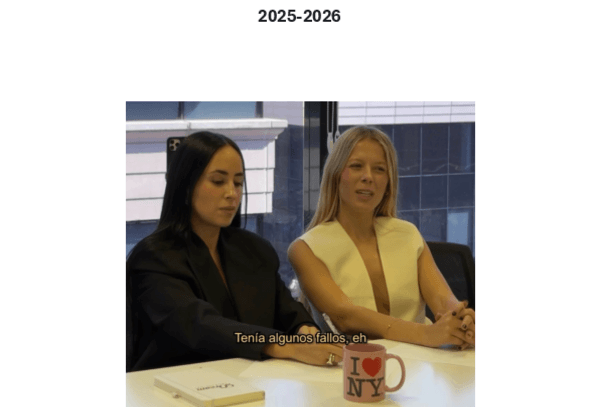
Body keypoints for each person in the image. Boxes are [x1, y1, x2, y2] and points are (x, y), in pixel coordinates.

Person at [127, 131, 344, 371]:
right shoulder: (153, 257)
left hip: (251, 383)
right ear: (185, 185)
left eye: (238, 183)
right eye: (218, 181)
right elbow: (199, 325)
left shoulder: (255, 249)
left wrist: (306, 330)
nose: (232, 193)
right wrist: (286, 346)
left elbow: (288, 309)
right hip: (172, 387)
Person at [288, 127, 475, 350]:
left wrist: (461, 320)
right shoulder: (305, 248)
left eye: (379, 169)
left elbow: (444, 302)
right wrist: (427, 333)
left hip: (420, 363)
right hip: (350, 364)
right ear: (335, 175)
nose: (368, 177)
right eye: (356, 166)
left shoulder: (408, 235)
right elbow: (345, 317)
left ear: (388, 183)